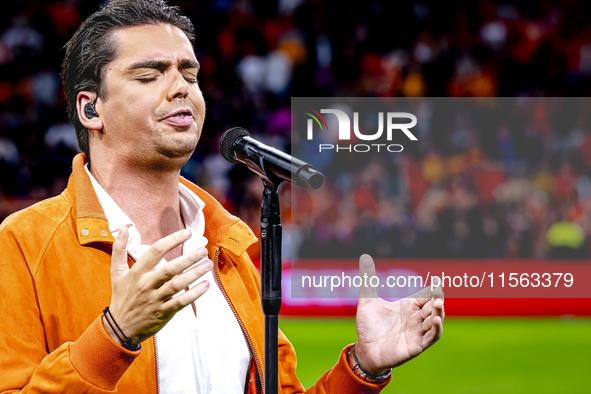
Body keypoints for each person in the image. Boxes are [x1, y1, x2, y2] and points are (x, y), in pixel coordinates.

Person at [0, 1, 444, 393]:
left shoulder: (227, 248)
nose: (182, 88)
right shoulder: (23, 245)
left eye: (189, 73)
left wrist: (361, 370)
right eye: (150, 74)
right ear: (90, 108)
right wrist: (115, 336)